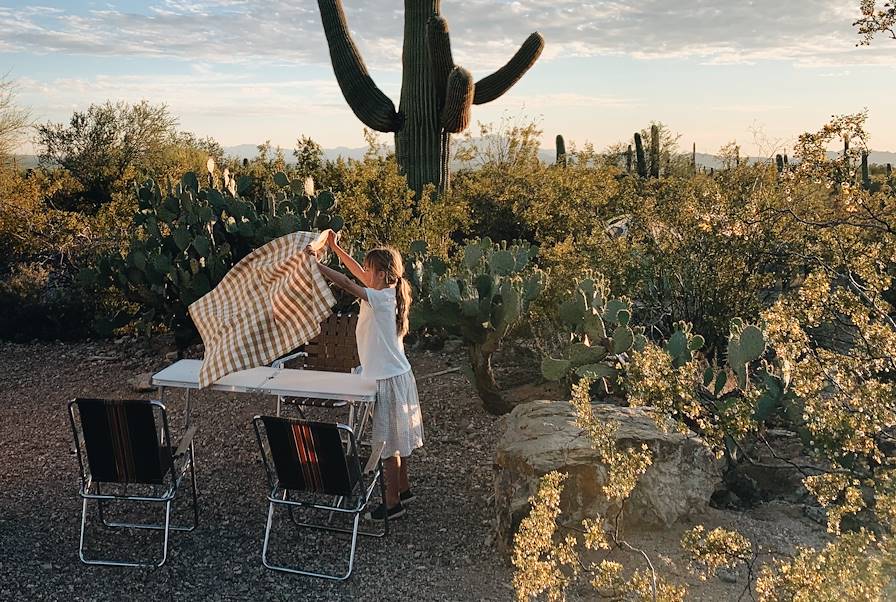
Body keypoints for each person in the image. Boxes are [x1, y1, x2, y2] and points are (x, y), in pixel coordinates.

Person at [305, 230, 423, 520]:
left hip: (387, 380)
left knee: (386, 444)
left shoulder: (380, 300)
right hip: (396, 375)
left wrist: (314, 265)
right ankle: (404, 489)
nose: (365, 272)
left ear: (382, 274)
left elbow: (346, 282)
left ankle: (392, 503)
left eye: (370, 270)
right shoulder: (387, 293)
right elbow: (355, 273)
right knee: (398, 439)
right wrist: (336, 248)